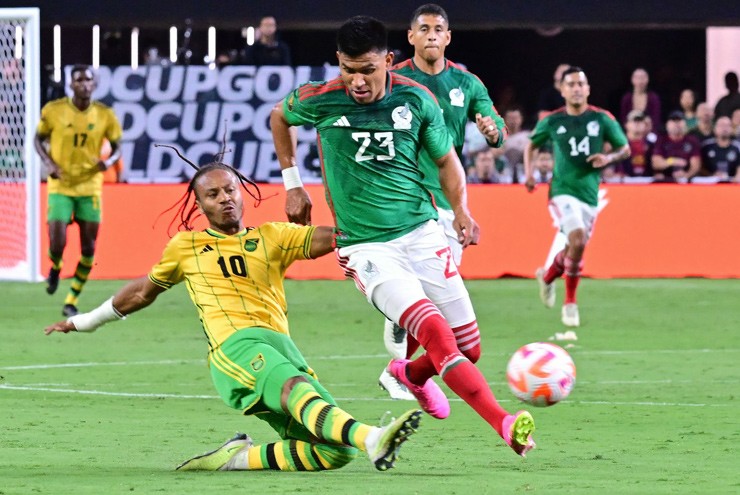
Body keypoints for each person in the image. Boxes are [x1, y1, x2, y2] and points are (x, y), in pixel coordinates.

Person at [44, 160, 422, 472]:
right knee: (294, 390)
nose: (224, 198)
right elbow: (142, 292)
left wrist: (382, 212)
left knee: (334, 451)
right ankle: (373, 437)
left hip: (282, 349)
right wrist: (83, 321)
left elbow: (340, 235)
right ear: (200, 205)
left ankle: (237, 459)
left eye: (230, 190)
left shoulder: (273, 236)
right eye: (213, 194)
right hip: (235, 348)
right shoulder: (187, 245)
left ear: (241, 193)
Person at [270, 15, 535, 457]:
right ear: (338, 62)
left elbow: (447, 161)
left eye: (368, 70)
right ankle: (504, 423)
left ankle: (410, 374)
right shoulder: (319, 99)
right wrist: (293, 183)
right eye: (348, 69)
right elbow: (280, 116)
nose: (357, 81)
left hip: (422, 230)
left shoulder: (417, 99)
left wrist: (462, 211)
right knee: (436, 332)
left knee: (469, 347)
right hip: (366, 247)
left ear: (388, 61)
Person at [373, 3, 507, 400]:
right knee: (426, 296)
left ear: (448, 37)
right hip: (405, 197)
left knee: (434, 298)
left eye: (438, 29)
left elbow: (495, 124)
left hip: (448, 203)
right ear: (411, 36)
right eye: (424, 28)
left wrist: (491, 130)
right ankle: (402, 370)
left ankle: (400, 363)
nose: (431, 34)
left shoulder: (467, 84)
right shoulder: (395, 81)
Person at [525, 66, 630, 328]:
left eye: (580, 84)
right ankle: (570, 302)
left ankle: (548, 276)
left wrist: (608, 157)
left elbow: (624, 148)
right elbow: (532, 144)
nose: (576, 88)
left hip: (589, 194)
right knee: (577, 238)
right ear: (562, 90)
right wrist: (529, 173)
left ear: (588, 89)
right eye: (570, 84)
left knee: (577, 246)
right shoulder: (552, 120)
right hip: (561, 190)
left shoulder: (602, 119)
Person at [34, 64, 123, 317]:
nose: (84, 84)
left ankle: (71, 300)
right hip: (61, 185)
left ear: (94, 85)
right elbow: (38, 139)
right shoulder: (54, 111)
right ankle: (56, 266)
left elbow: (117, 146)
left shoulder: (105, 115)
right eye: (79, 80)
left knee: (88, 248)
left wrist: (108, 161)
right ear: (71, 85)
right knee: (58, 239)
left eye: (88, 80)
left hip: (90, 187)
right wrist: (49, 163)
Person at [651, 111, 701, 182]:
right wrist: (673, 161)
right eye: (673, 121)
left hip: (686, 180)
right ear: (667, 124)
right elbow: (656, 163)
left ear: (685, 124)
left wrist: (686, 175)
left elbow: (695, 165)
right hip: (665, 180)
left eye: (680, 120)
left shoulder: (691, 141)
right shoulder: (661, 140)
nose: (676, 124)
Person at [700, 116, 740, 181]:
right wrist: (711, 175)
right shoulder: (706, 146)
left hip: (732, 181)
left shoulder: (737, 146)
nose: (724, 128)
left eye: (727, 125)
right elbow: (700, 167)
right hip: (710, 181)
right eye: (721, 125)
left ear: (732, 129)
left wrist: (736, 178)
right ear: (715, 129)